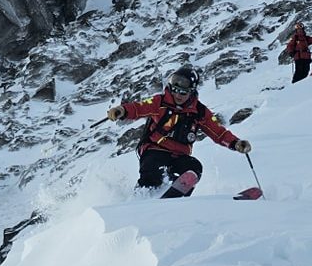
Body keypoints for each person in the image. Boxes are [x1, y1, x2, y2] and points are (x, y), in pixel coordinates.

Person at [106, 66, 252, 197]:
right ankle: (141, 198)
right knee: (153, 170)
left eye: (183, 92)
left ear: (191, 92)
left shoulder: (199, 112)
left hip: (179, 156)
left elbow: (218, 132)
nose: (178, 95)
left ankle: (175, 198)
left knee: (194, 168)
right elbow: (139, 108)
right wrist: (121, 110)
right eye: (175, 90)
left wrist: (235, 143)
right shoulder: (160, 102)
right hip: (155, 149)